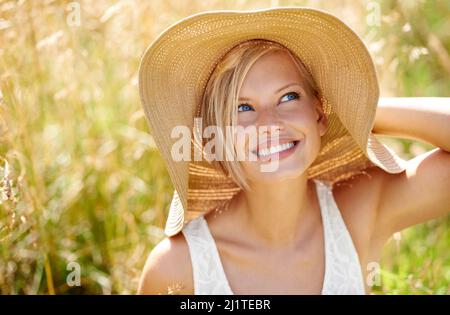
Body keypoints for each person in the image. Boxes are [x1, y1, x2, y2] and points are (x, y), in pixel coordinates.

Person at [136, 7, 450, 294]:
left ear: (320, 114)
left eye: (288, 98)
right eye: (243, 107)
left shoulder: (358, 211)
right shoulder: (177, 268)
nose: (270, 123)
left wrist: (358, 111)